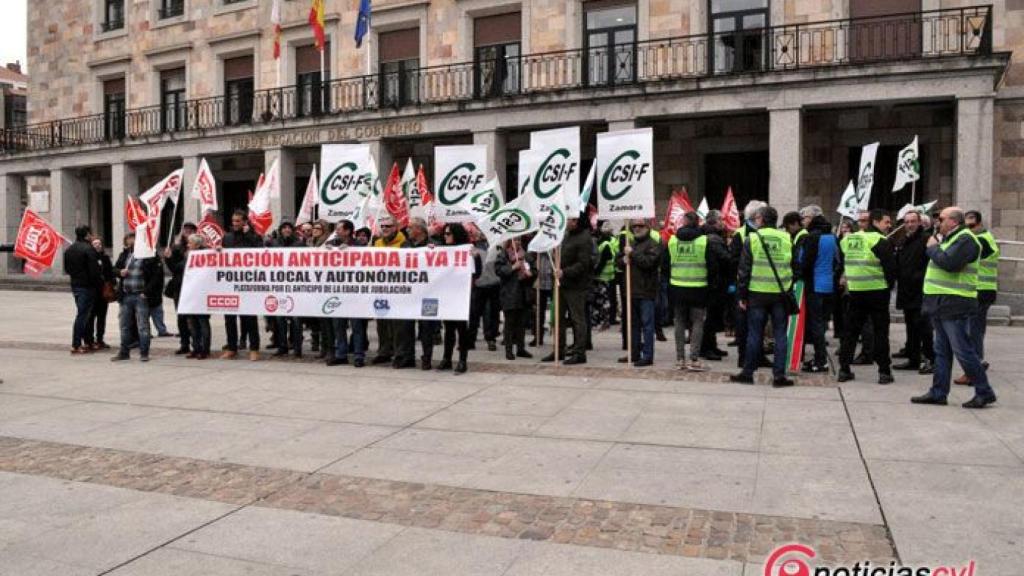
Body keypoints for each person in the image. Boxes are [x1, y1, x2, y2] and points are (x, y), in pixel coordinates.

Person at [912, 207, 997, 409]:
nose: (937, 222)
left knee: (963, 350)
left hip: (955, 303)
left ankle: (984, 392)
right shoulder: (951, 238)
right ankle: (938, 392)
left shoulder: (966, 239)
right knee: (941, 351)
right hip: (942, 303)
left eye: (941, 218)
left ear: (953, 221)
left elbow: (949, 263)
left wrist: (932, 248)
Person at [730, 206, 796, 388]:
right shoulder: (786, 238)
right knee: (780, 334)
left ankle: (748, 372)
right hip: (780, 293)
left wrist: (742, 296)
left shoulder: (752, 238)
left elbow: (744, 270)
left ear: (760, 219)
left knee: (754, 334)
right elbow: (793, 265)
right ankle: (779, 376)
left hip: (757, 293)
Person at [837, 208, 897, 384]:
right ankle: (884, 372)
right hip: (877, 291)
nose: (889, 225)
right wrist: (888, 287)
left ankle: (844, 369)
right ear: (875, 222)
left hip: (855, 291)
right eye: (886, 221)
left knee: (851, 332)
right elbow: (891, 269)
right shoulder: (879, 240)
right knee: (880, 332)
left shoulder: (848, 239)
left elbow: (843, 260)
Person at [665, 211, 717, 371]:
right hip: (698, 288)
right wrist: (711, 285)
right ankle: (694, 359)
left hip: (677, 287)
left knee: (679, 322)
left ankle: (680, 359)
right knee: (697, 322)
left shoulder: (673, 241)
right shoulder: (704, 241)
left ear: (684, 223)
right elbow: (712, 266)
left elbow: (665, 265)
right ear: (697, 223)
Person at [956, 210, 1000, 385]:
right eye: (965, 225)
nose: (968, 229)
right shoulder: (985, 237)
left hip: (980, 289)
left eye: (971, 226)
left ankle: (974, 370)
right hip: (984, 289)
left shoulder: (980, 240)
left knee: (972, 331)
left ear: (980, 224)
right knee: (975, 330)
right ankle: (977, 364)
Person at [542, 217, 593, 365]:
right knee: (557, 319)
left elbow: (583, 264)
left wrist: (565, 272)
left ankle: (579, 352)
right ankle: (559, 349)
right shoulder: (567, 235)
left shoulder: (584, 238)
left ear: (576, 221)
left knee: (578, 320)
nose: (566, 222)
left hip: (576, 286)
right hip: (561, 284)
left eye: (569, 219)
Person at [893, 210, 934, 374]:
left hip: (921, 290)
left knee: (923, 327)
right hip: (906, 290)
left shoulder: (927, 239)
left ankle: (931, 359)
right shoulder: (903, 240)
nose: (910, 224)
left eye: (913, 221)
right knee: (911, 326)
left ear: (920, 223)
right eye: (907, 222)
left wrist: (919, 278)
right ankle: (913, 358)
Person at [615, 219, 661, 366]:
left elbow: (648, 263)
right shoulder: (631, 243)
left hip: (646, 291)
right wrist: (623, 260)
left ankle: (647, 355)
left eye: (640, 226)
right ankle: (634, 353)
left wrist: (632, 254)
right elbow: (619, 262)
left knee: (647, 325)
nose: (637, 228)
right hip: (631, 290)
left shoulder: (653, 244)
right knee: (632, 325)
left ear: (647, 227)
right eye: (635, 226)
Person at [797, 205, 837, 373]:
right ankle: (820, 359)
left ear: (812, 218)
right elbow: (837, 261)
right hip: (828, 285)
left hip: (814, 285)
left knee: (815, 325)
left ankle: (821, 361)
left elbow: (805, 263)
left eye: (805, 217)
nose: (803, 221)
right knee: (820, 323)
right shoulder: (831, 236)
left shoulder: (811, 237)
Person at [220, 209, 263, 361]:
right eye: (233, 221)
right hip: (230, 283)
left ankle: (254, 348)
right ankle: (232, 348)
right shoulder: (228, 237)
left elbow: (260, 251)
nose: (235, 224)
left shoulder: (253, 236)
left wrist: (248, 234)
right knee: (229, 318)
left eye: (238, 221)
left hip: (248, 283)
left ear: (245, 221)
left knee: (250, 317)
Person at [730, 200, 767, 369]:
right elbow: (735, 260)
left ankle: (759, 356)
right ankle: (743, 357)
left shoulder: (766, 232)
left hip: (762, 285)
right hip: (745, 284)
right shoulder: (740, 234)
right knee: (743, 324)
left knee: (760, 323)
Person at [110, 247, 163, 363]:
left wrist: (147, 292)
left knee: (142, 325)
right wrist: (119, 272)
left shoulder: (150, 255)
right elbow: (113, 269)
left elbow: (156, 276)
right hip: (126, 295)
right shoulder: (126, 254)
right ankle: (124, 352)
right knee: (124, 325)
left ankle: (144, 352)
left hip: (140, 296)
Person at [371, 215, 410, 367]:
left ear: (396, 227)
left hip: (398, 289)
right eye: (383, 226)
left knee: (398, 325)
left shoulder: (404, 244)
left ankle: (400, 354)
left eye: (388, 226)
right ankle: (384, 351)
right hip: (381, 289)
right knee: (382, 323)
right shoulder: (377, 243)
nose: (385, 229)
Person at [439, 223, 475, 374]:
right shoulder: (443, 251)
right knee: (448, 330)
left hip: (461, 295)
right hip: (447, 295)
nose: (445, 237)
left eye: (448, 234)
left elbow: (475, 273)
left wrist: (474, 257)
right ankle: (447, 358)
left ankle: (462, 360)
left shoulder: (467, 251)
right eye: (444, 234)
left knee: (462, 330)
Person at [400, 218, 436, 369]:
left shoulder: (434, 245)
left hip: (428, 294)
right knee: (406, 327)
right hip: (409, 294)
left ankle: (426, 358)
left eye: (410, 228)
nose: (407, 230)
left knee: (427, 328)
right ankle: (408, 357)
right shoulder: (405, 245)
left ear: (419, 230)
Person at [699, 210, 732, 361]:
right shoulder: (713, 239)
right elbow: (725, 259)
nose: (723, 222)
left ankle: (711, 346)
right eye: (720, 220)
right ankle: (706, 348)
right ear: (713, 222)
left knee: (713, 317)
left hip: (715, 283)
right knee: (710, 318)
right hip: (713, 284)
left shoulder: (714, 236)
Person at [64, 225, 101, 354]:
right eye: (90, 234)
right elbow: (94, 271)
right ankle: (76, 344)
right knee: (83, 315)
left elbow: (67, 269)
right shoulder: (88, 249)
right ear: (87, 235)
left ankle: (88, 341)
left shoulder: (69, 249)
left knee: (86, 314)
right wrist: (98, 284)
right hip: (88, 286)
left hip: (75, 285)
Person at [495, 238, 534, 361]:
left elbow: (534, 269)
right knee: (510, 323)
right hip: (509, 293)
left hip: (523, 293)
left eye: (519, 239)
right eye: (515, 239)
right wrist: (512, 267)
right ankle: (509, 349)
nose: (517, 242)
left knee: (521, 323)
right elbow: (498, 270)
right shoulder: (503, 254)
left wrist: (531, 273)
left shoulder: (525, 255)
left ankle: (521, 348)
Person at [271, 220, 304, 358]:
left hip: (295, 286)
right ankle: (282, 346)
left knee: (296, 320)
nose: (286, 230)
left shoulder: (299, 244)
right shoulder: (274, 244)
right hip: (280, 286)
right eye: (284, 228)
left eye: (289, 227)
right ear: (280, 230)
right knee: (280, 318)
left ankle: (297, 347)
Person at [163, 222, 196, 355]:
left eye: (190, 229)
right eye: (185, 229)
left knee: (193, 318)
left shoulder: (199, 247)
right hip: (179, 286)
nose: (187, 231)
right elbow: (173, 268)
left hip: (193, 287)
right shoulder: (177, 247)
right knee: (181, 317)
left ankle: (197, 344)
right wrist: (168, 257)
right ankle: (184, 344)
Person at [469, 227, 501, 352]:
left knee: (492, 314)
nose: (481, 235)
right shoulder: (472, 248)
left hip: (494, 284)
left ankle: (491, 339)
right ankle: (470, 340)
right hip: (479, 285)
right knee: (474, 314)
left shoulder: (497, 246)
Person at [181, 234, 211, 359]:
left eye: (190, 243)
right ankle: (196, 348)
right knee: (192, 323)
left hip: (201, 294)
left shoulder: (206, 255)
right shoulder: (188, 256)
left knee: (202, 322)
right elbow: (178, 269)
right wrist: (169, 258)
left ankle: (205, 349)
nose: (188, 245)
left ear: (197, 245)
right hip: (190, 294)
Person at [88, 237, 115, 350]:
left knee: (102, 317)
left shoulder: (105, 258)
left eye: (99, 243)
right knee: (91, 316)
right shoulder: (89, 257)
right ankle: (90, 340)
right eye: (95, 244)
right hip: (93, 292)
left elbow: (110, 272)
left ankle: (100, 339)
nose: (98, 245)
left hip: (104, 292)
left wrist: (112, 283)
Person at [592, 222, 618, 331]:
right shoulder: (604, 243)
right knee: (603, 300)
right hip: (605, 276)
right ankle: (603, 320)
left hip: (605, 277)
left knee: (605, 301)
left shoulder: (605, 244)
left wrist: (596, 272)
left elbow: (604, 261)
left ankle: (605, 321)